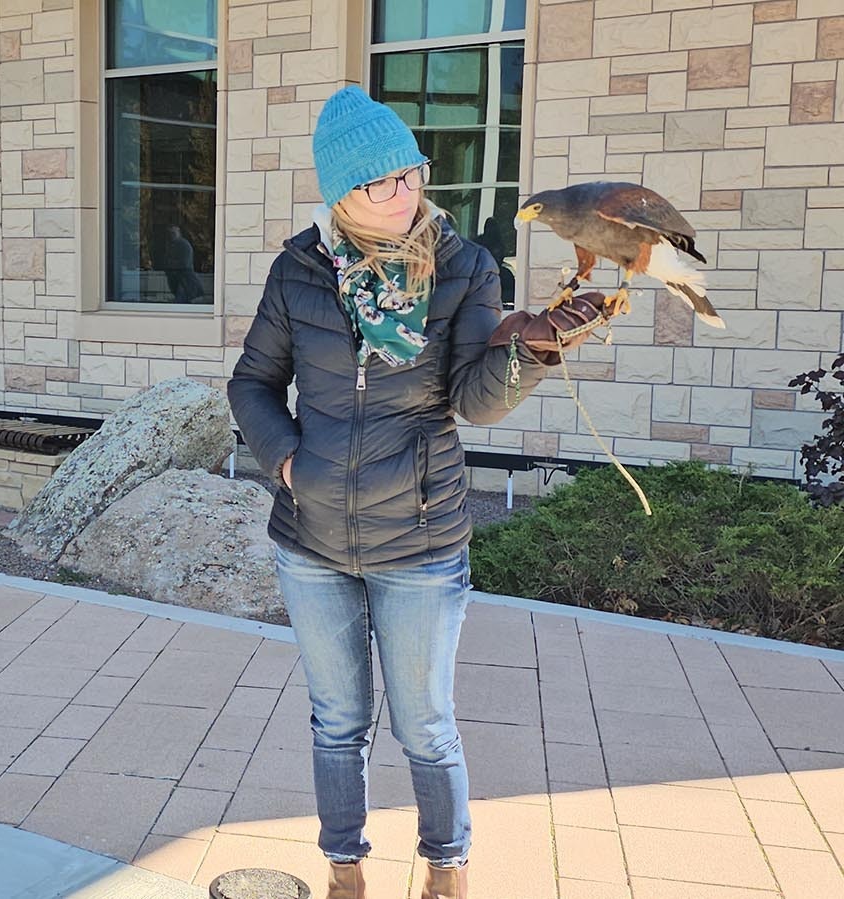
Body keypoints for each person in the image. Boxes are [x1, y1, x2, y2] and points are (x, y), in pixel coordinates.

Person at [226, 86, 602, 899]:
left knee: (426, 727)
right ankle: (346, 873)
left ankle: (446, 872)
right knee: (338, 723)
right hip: (311, 540)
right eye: (383, 182)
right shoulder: (298, 272)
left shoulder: (464, 268)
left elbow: (473, 400)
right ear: (341, 195)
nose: (407, 193)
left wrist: (531, 352)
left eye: (413, 173)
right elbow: (252, 384)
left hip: (422, 542)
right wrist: (289, 463)